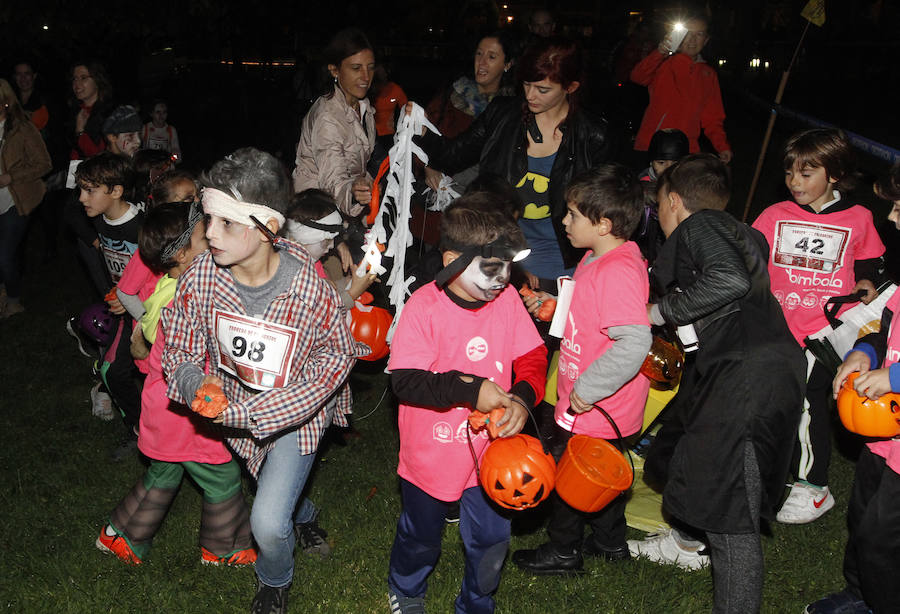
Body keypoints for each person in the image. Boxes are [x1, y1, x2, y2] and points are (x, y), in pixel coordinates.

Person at [161, 147, 359, 614]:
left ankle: (275, 580)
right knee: (270, 481)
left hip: (294, 417)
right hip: (231, 410)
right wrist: (195, 384)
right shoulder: (201, 280)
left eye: (227, 223)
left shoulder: (309, 290)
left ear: (269, 227)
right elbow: (180, 348)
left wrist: (258, 412)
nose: (209, 234)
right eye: (208, 220)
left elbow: (334, 357)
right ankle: (304, 514)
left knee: (267, 521)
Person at [628, 154, 804, 614]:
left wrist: (657, 312)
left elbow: (727, 280)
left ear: (673, 201)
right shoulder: (742, 232)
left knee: (733, 520)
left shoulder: (700, 226)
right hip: (758, 366)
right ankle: (686, 540)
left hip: (746, 374)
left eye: (660, 205)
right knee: (693, 460)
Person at [386, 195, 547, 614]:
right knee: (421, 534)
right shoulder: (423, 308)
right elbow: (406, 382)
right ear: (453, 260)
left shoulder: (508, 300)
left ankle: (477, 602)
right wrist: (470, 388)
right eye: (492, 268)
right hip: (431, 455)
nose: (502, 279)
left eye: (508, 267)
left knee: (493, 540)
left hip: (493, 454)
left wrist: (522, 400)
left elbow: (532, 358)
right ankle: (406, 590)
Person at [95, 200, 257, 567]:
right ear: (184, 254)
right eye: (206, 233)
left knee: (166, 471)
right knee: (222, 476)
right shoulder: (184, 298)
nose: (214, 235)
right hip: (185, 409)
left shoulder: (171, 287)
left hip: (167, 404)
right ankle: (225, 550)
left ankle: (120, 536)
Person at [512, 165, 652, 575]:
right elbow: (591, 312)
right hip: (590, 400)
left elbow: (634, 341)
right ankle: (610, 543)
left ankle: (563, 551)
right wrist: (554, 306)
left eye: (573, 215)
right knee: (599, 475)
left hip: (597, 405)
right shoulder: (596, 257)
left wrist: (589, 389)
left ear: (604, 224)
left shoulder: (619, 271)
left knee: (571, 478)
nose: (564, 221)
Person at [752, 128, 885, 525]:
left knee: (809, 405)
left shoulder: (858, 218)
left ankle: (814, 486)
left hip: (822, 332)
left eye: (806, 173)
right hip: (777, 327)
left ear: (834, 175)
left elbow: (870, 265)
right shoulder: (775, 215)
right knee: (773, 403)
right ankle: (770, 470)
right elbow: (750, 259)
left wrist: (866, 283)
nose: (795, 182)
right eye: (790, 172)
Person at [417, 36, 614, 290]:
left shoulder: (593, 136)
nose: (530, 95)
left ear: (571, 87)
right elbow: (451, 155)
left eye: (543, 89)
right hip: (496, 256)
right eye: (526, 84)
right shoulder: (503, 115)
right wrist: (420, 131)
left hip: (559, 265)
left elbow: (605, 211)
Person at [803, 165, 900, 614]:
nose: (894, 219)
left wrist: (896, 379)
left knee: (883, 538)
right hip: (884, 440)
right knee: (862, 522)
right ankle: (859, 593)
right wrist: (865, 351)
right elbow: (886, 326)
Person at [74, 152, 145, 456]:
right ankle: (139, 430)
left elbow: (165, 276)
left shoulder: (142, 226)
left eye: (90, 190)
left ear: (116, 191)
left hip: (152, 313)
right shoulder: (102, 222)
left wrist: (135, 300)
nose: (81, 198)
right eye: (81, 189)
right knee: (112, 372)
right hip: (126, 312)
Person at [293, 28, 376, 222]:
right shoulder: (328, 117)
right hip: (316, 214)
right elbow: (333, 181)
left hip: (341, 210)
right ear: (334, 70)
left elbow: (361, 161)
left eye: (370, 67)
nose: (366, 77)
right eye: (356, 68)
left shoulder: (362, 106)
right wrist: (354, 194)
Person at [630, 15, 732, 163]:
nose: (692, 40)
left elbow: (713, 117)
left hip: (687, 151)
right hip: (653, 145)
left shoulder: (709, 74)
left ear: (706, 40)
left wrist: (722, 146)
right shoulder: (664, 63)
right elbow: (637, 77)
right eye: (687, 34)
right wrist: (660, 52)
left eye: (699, 34)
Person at [0, 79, 53, 318]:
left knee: (5, 255)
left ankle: (13, 301)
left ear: (6, 101)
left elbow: (44, 164)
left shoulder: (22, 128)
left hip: (16, 200)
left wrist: (11, 176)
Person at [634, 128, 689, 264]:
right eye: (661, 163)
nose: (667, 170)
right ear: (651, 162)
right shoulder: (638, 189)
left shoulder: (689, 191)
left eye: (674, 164)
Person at [11, 60, 49, 132]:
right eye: (19, 74)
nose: (23, 78)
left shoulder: (45, 101)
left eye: (27, 73)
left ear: (34, 76)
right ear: (15, 77)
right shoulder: (10, 101)